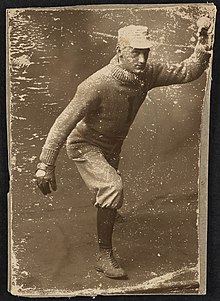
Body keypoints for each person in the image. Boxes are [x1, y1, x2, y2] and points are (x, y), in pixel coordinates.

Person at [35, 20, 213, 279]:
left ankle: (108, 214)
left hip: (112, 146)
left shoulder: (147, 73)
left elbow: (186, 71)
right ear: (119, 51)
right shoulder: (96, 84)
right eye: (134, 52)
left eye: (145, 52)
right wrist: (45, 165)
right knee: (112, 187)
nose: (141, 59)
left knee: (109, 193)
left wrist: (202, 47)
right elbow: (63, 123)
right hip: (85, 145)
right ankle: (104, 255)